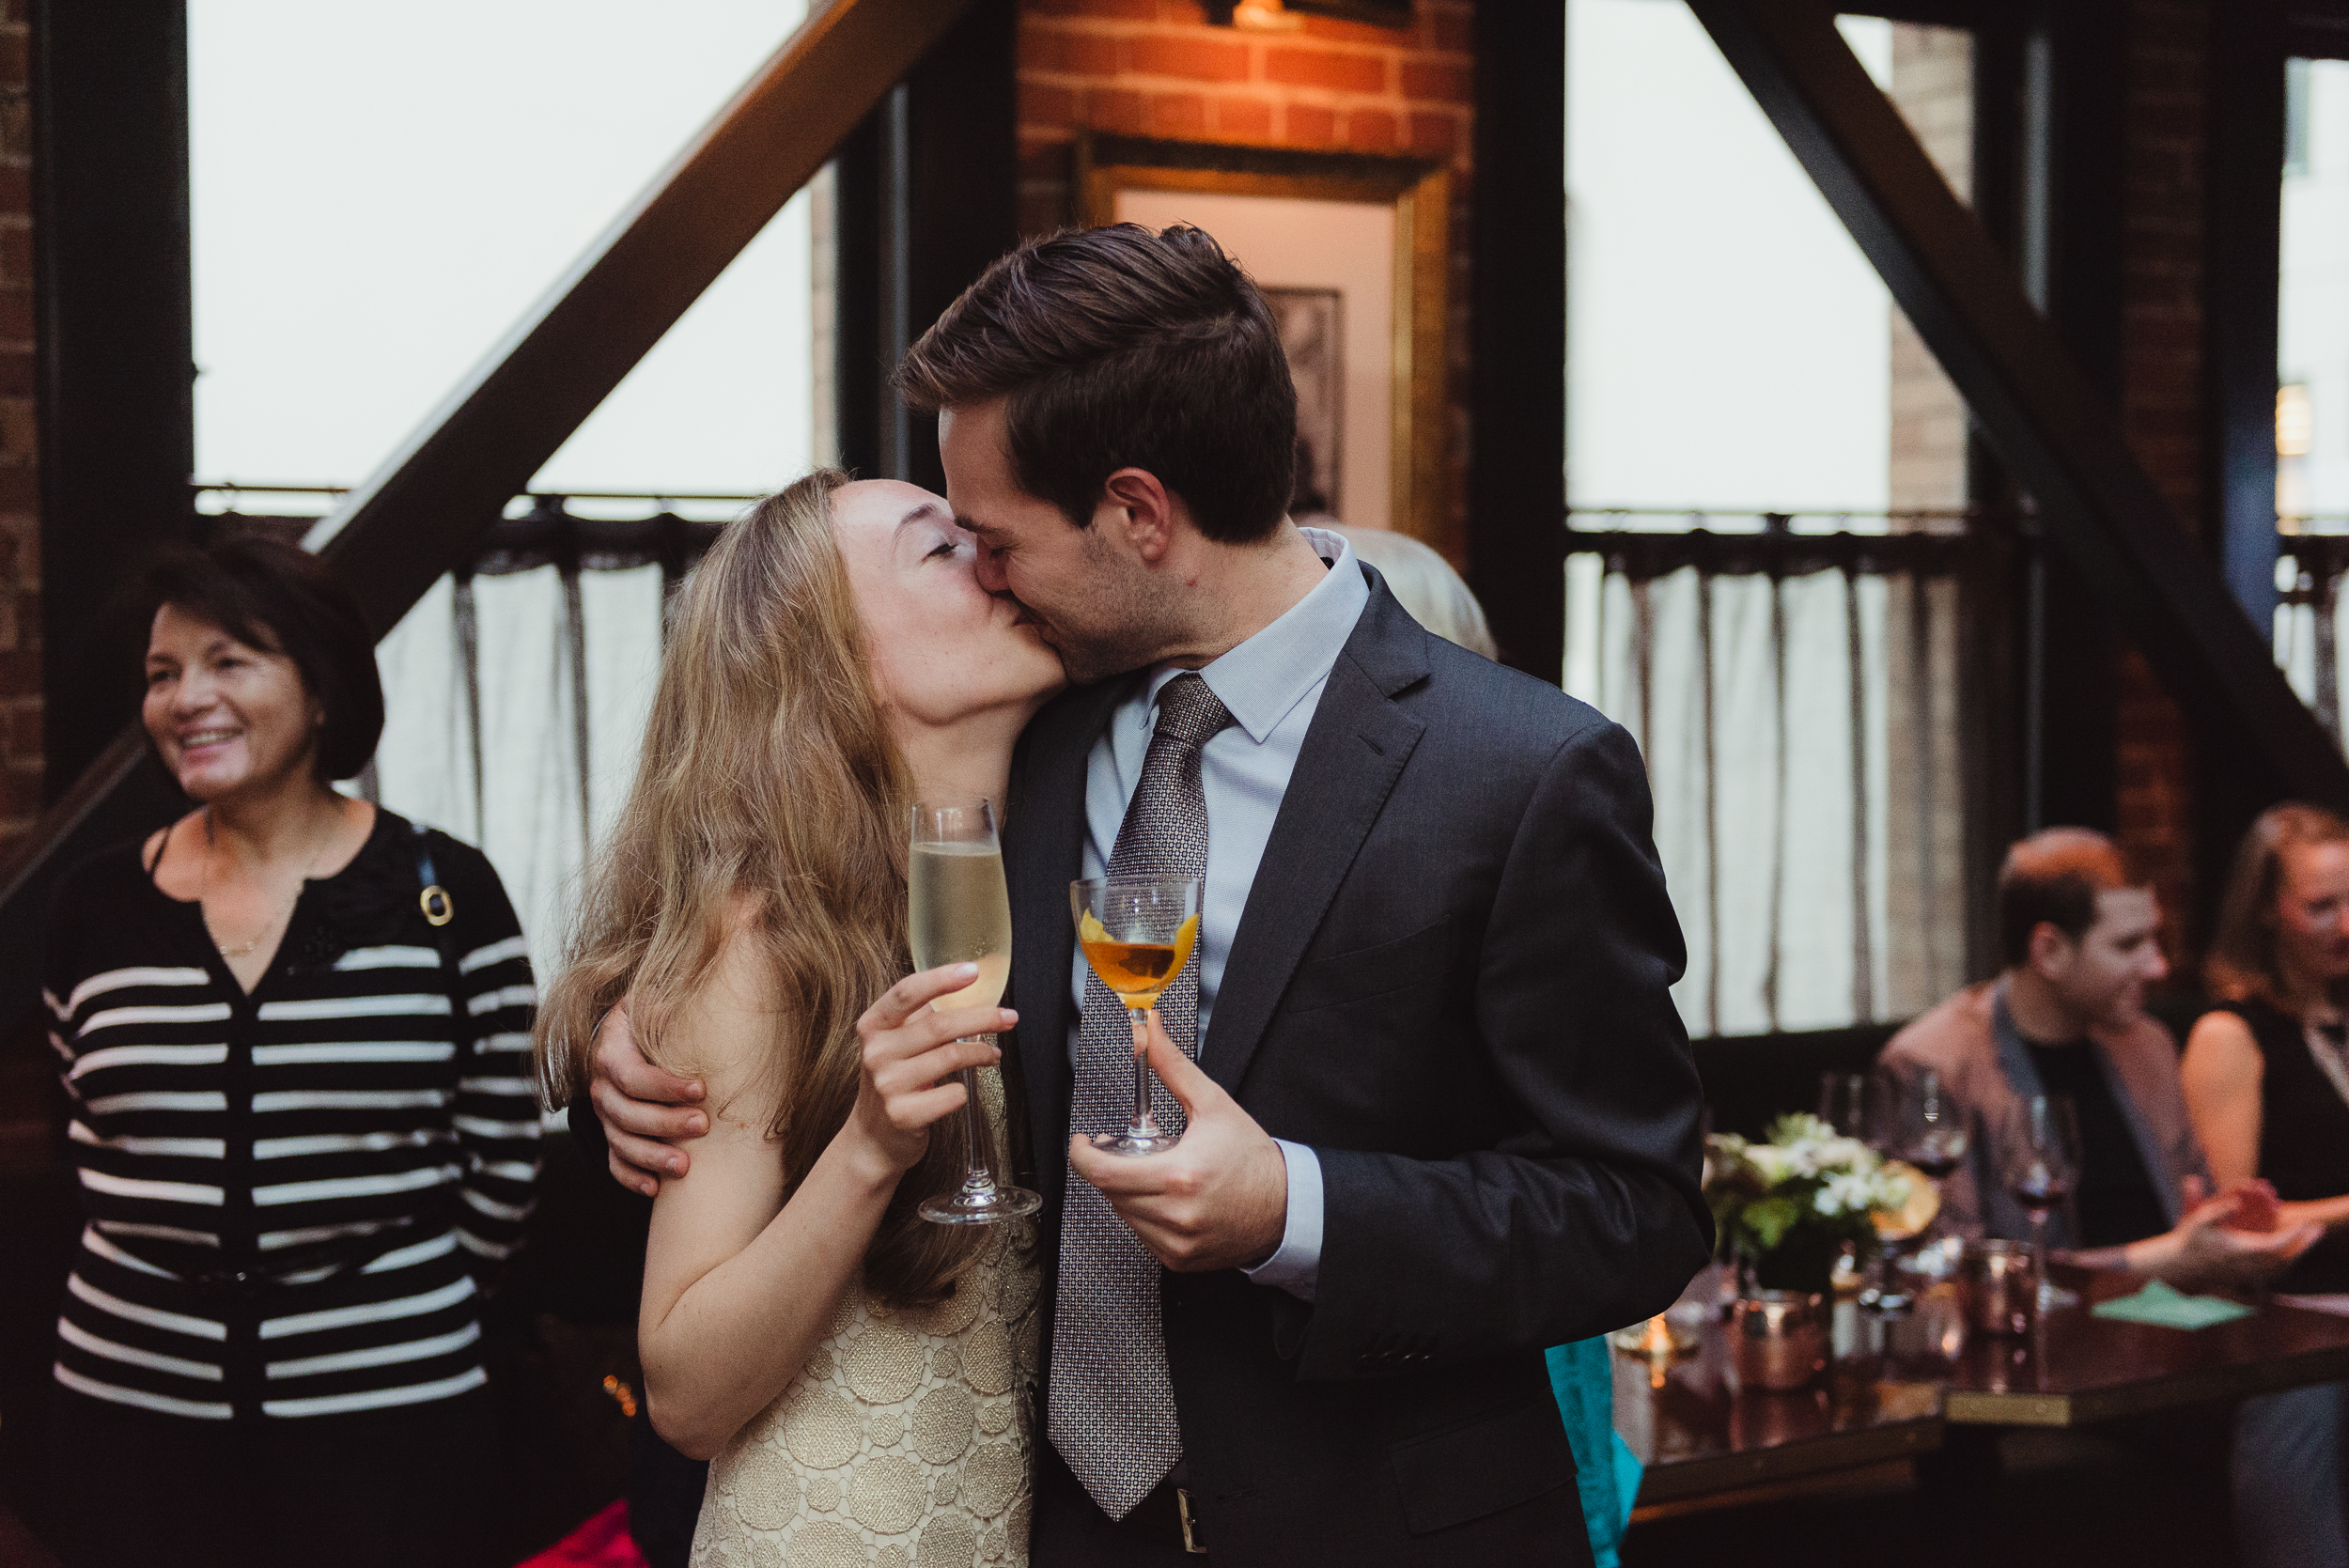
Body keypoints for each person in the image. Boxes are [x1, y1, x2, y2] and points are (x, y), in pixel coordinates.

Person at [590, 222, 1711, 1566]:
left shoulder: (1522, 771)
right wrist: (633, 1028)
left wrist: (1296, 1209)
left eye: (994, 538)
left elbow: (1634, 1212)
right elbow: (808, 876)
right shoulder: (1035, 729)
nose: (985, 569)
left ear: (1136, 513)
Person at [536, 473, 1067, 1566]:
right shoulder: (768, 942)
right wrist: (870, 1148)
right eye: (941, 547)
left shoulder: (1055, 865)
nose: (995, 554)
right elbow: (682, 1391)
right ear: (837, 661)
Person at [41, 536, 540, 1568]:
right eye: (162, 673)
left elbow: (502, 1146)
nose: (187, 698)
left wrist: (403, 1301)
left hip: (394, 1413)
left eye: (229, 661)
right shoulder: (93, 905)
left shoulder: (445, 890)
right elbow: (85, 1138)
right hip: (132, 1414)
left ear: (319, 687)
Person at [1877, 828, 2311, 1285]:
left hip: (2170, 1326)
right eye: (2128, 945)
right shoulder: (1934, 1064)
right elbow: (1942, 1267)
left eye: (2154, 939)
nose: (2157, 966)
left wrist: (2231, 1228)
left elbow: (2191, 1211)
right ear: (2049, 951)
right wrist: (2152, 1261)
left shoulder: (2147, 1044)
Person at [2185, 803, 2349, 1568]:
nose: (2346, 922)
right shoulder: (2231, 1033)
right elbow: (2237, 1223)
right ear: (2265, 910)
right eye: (2322, 906)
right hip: (2298, 1323)